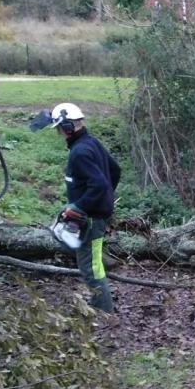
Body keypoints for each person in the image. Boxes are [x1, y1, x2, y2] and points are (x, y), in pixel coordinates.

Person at [40, 102, 121, 313]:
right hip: (94, 214)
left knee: (90, 269)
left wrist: (80, 206)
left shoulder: (80, 152)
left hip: (92, 219)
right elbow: (115, 170)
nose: (60, 134)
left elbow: (100, 184)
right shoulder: (90, 142)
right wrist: (105, 199)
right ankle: (100, 258)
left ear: (67, 127)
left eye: (60, 129)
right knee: (68, 241)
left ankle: (105, 312)